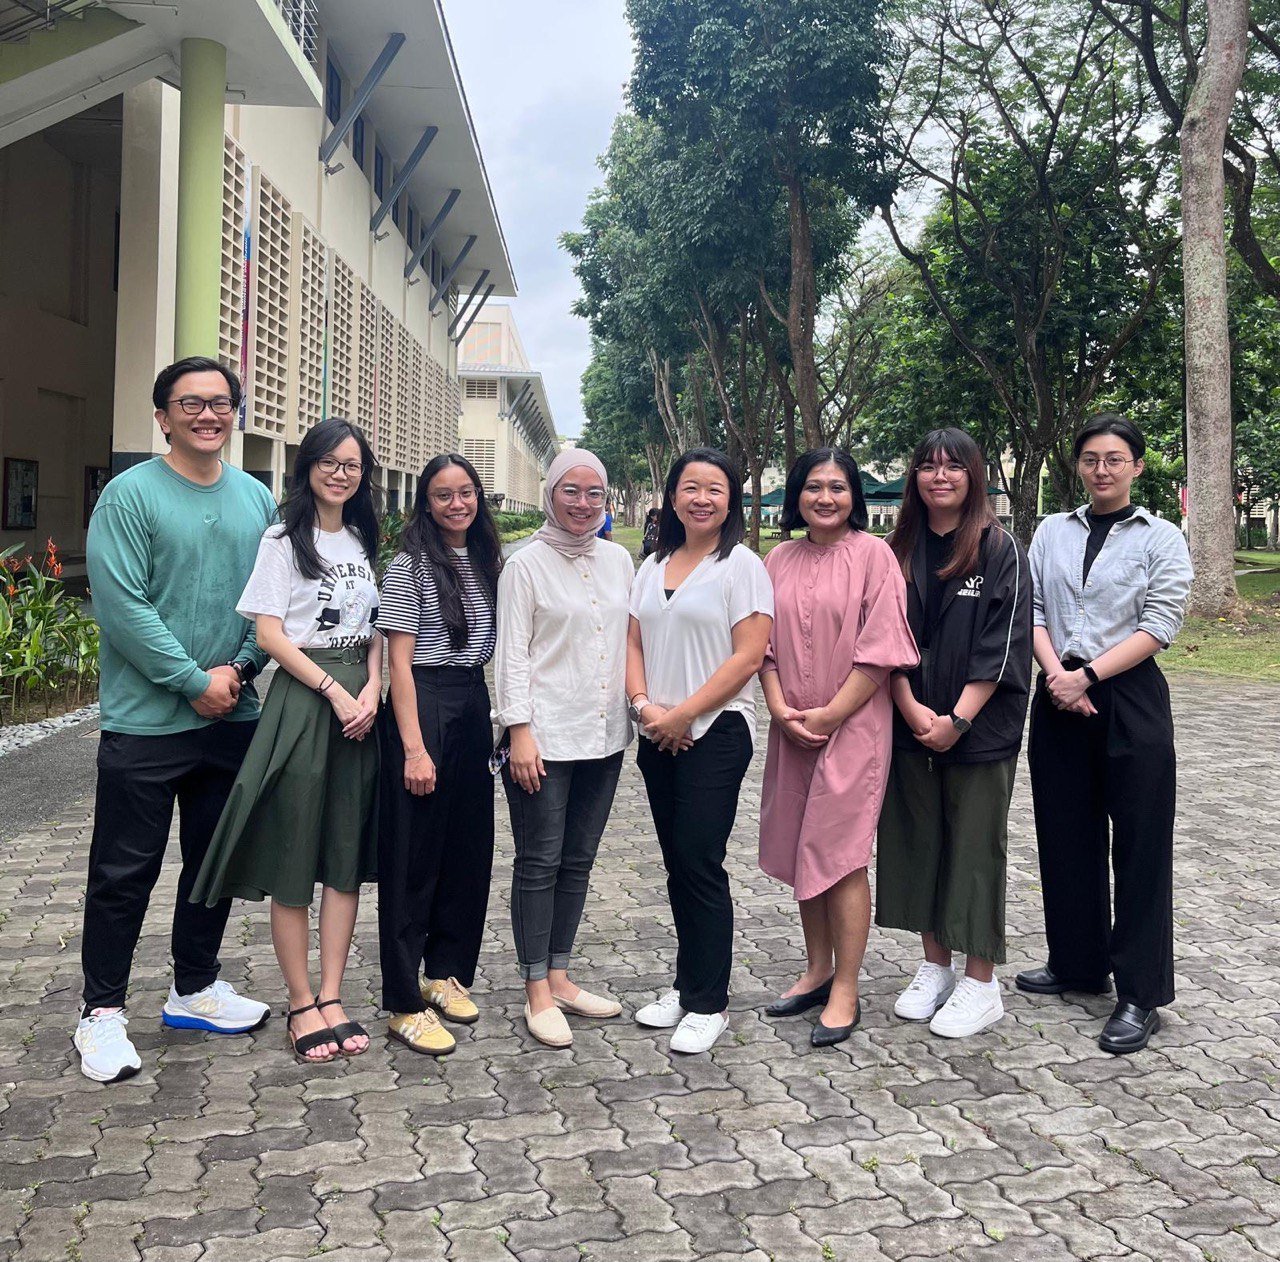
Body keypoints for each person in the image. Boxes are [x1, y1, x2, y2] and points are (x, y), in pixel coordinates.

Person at [75, 357, 275, 1083]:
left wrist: (240, 671)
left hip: (232, 717)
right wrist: (193, 682)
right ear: (162, 417)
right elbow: (121, 605)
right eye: (190, 403)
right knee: (123, 872)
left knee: (212, 863)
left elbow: (272, 601)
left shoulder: (257, 498)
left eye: (220, 402)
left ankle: (194, 987)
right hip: (146, 724)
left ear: (235, 415)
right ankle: (101, 1012)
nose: (207, 414)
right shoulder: (129, 496)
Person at [191, 418, 382, 1063]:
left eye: (352, 465)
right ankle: (301, 1002)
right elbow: (271, 635)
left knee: (344, 854)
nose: (340, 474)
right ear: (308, 468)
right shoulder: (282, 539)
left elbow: (378, 625)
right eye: (329, 462)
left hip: (360, 706)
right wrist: (335, 691)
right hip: (306, 700)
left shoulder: (362, 537)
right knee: (296, 854)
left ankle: (333, 994)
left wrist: (374, 686)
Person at [1018, 413, 1192, 1055]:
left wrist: (1087, 675)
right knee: (1065, 833)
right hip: (1057, 691)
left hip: (1129, 696)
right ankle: (1077, 963)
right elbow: (1032, 609)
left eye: (1115, 459)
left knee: (1141, 843)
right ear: (1078, 465)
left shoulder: (1162, 537)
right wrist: (1057, 676)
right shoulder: (1051, 531)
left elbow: (1161, 622)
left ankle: (1140, 992)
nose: (1102, 469)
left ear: (1137, 466)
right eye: (1091, 458)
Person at [758, 449, 918, 1047]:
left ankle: (846, 986)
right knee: (803, 847)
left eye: (837, 487)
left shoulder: (875, 556)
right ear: (796, 495)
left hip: (854, 727)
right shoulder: (777, 559)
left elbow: (882, 650)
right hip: (791, 727)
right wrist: (779, 708)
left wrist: (829, 714)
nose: (825, 498)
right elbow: (761, 647)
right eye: (813, 487)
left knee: (841, 855)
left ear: (855, 497)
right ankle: (816, 969)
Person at [877, 427, 1031, 1039]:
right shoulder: (896, 550)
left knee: (974, 847)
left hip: (981, 729)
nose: (939, 476)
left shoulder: (998, 548)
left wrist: (958, 719)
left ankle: (981, 982)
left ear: (974, 475)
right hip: (908, 720)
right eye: (928, 466)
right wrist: (911, 708)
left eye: (953, 466)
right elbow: (882, 637)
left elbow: (1002, 643)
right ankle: (935, 967)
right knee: (918, 840)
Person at [626, 447, 773, 1054]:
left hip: (716, 733)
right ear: (672, 496)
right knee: (677, 864)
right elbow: (633, 642)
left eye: (715, 488)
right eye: (691, 487)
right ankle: (687, 986)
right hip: (657, 733)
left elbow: (749, 655)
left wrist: (685, 713)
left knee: (699, 861)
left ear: (731, 500)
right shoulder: (652, 564)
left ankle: (710, 1002)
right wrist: (645, 707)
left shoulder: (742, 565)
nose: (702, 498)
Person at [493, 449, 634, 1047]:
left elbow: (630, 641)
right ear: (550, 494)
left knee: (578, 860)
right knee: (539, 860)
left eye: (594, 492)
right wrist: (518, 730)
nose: (583, 503)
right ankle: (536, 990)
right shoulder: (524, 565)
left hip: (603, 736)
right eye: (570, 491)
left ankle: (560, 975)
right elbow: (510, 653)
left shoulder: (619, 560)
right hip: (542, 739)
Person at [378, 454, 503, 1055]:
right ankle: (404, 1001)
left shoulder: (484, 559)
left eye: (466, 492)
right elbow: (398, 664)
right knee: (414, 857)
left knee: (467, 848)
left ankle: (443, 974)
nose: (457, 504)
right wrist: (414, 748)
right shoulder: (411, 564)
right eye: (443, 495)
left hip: (472, 703)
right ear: (425, 503)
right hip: (424, 702)